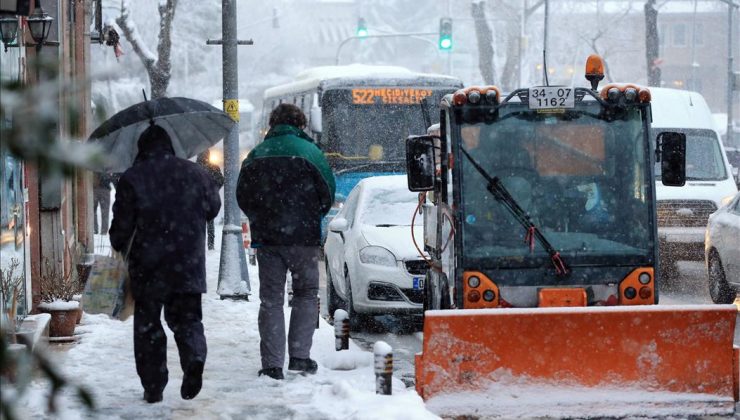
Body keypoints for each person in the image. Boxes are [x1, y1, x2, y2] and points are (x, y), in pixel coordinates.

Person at [109, 123, 221, 403]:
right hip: (188, 263)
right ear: (171, 145)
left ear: (140, 149)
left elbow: (120, 230)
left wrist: (120, 241)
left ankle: (153, 385)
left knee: (148, 326)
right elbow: (213, 208)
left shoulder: (132, 178)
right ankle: (194, 355)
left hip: (148, 267)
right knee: (188, 319)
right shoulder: (194, 172)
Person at [236, 103, 335, 380]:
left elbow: (242, 194)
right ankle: (300, 357)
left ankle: (272, 365)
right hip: (303, 238)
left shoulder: (257, 154)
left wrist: (260, 217)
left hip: (268, 239)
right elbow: (327, 192)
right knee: (305, 293)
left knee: (270, 300)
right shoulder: (311, 153)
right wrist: (311, 215)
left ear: (273, 124)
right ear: (300, 124)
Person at [196, 150, 224, 250]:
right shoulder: (213, 167)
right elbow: (221, 180)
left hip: (197, 199)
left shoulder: (194, 168)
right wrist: (213, 189)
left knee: (198, 223)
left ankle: (199, 244)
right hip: (209, 199)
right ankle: (210, 244)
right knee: (210, 222)